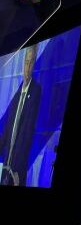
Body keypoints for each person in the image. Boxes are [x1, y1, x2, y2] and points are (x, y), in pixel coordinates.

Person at [0, 45, 41, 186]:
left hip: (18, 167)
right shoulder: (17, 93)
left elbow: (27, 132)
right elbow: (8, 126)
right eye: (26, 62)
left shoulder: (36, 91)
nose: (28, 67)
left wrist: (16, 168)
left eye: (31, 62)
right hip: (7, 162)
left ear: (34, 64)